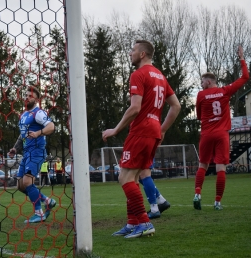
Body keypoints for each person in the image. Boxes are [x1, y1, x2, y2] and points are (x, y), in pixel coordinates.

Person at [102, 40, 181, 238]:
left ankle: (145, 223)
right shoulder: (161, 77)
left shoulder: (138, 74)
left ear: (143, 54)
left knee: (124, 177)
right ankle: (132, 222)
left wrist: (116, 129)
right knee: (134, 178)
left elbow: (135, 108)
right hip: (153, 131)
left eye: (133, 50)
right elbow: (176, 106)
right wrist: (162, 130)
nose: (130, 53)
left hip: (141, 131)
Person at [193, 45, 249, 211]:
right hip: (222, 134)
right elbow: (245, 76)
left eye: (203, 81)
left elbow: (198, 116)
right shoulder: (225, 91)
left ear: (209, 81)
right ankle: (217, 202)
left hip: (207, 134)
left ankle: (197, 194)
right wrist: (241, 58)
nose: (201, 84)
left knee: (203, 165)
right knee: (221, 168)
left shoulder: (201, 95)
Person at [8, 86, 56, 223]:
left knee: (28, 181)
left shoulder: (38, 113)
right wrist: (15, 148)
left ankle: (39, 213)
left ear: (37, 98)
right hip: (27, 153)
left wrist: (38, 133)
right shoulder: (24, 115)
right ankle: (47, 200)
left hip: (37, 152)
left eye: (30, 95)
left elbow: (51, 126)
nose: (27, 97)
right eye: (26, 95)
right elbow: (22, 134)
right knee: (20, 185)